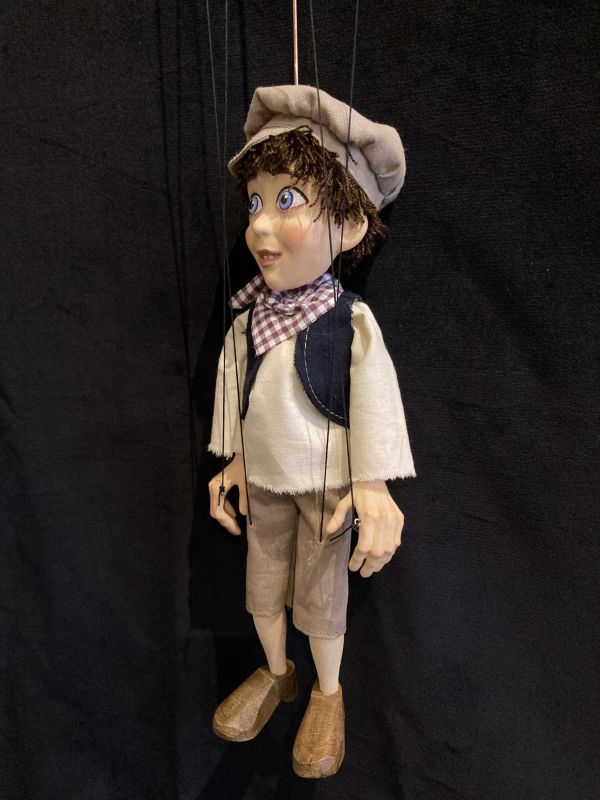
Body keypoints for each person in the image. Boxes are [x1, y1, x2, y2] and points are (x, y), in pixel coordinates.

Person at [207, 84, 415, 778]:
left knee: (323, 599)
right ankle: (277, 673)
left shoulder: (348, 321)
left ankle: (328, 691)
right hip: (265, 484)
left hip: (327, 490)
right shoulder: (248, 322)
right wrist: (234, 460)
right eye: (254, 203)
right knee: (262, 586)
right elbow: (235, 391)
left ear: (349, 225)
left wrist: (372, 483)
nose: (260, 226)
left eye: (287, 199)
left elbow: (376, 399)